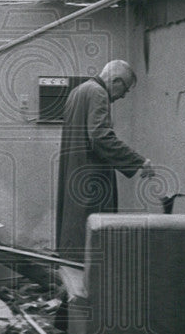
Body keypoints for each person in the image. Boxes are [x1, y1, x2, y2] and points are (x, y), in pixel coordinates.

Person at [55, 59, 155, 261]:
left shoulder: (78, 91)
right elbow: (100, 136)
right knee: (93, 241)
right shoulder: (98, 93)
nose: (124, 95)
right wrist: (138, 161)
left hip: (75, 175)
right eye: (125, 89)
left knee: (76, 237)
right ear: (116, 81)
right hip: (91, 180)